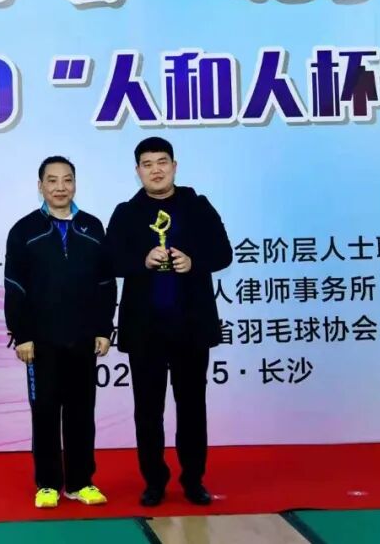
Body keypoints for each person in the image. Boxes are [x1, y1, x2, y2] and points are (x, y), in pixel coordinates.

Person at [106, 137, 232, 507]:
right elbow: (109, 260)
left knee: (192, 407)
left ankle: (193, 480)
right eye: (147, 164)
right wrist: (140, 261)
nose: (156, 170)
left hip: (190, 327)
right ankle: (154, 481)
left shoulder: (197, 206)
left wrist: (194, 262)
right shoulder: (126, 213)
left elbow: (223, 252)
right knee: (148, 411)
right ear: (138, 171)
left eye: (162, 162)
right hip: (146, 330)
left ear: (174, 166)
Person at [3, 156, 116, 509]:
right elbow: (14, 286)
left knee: (82, 412)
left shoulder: (92, 227)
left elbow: (106, 282)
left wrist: (104, 328)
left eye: (67, 180)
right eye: (52, 180)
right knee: (45, 412)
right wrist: (21, 334)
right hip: (41, 341)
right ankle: (48, 483)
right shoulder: (24, 230)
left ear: (75, 184)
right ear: (40, 186)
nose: (60, 187)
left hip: (83, 338)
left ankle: (81, 482)